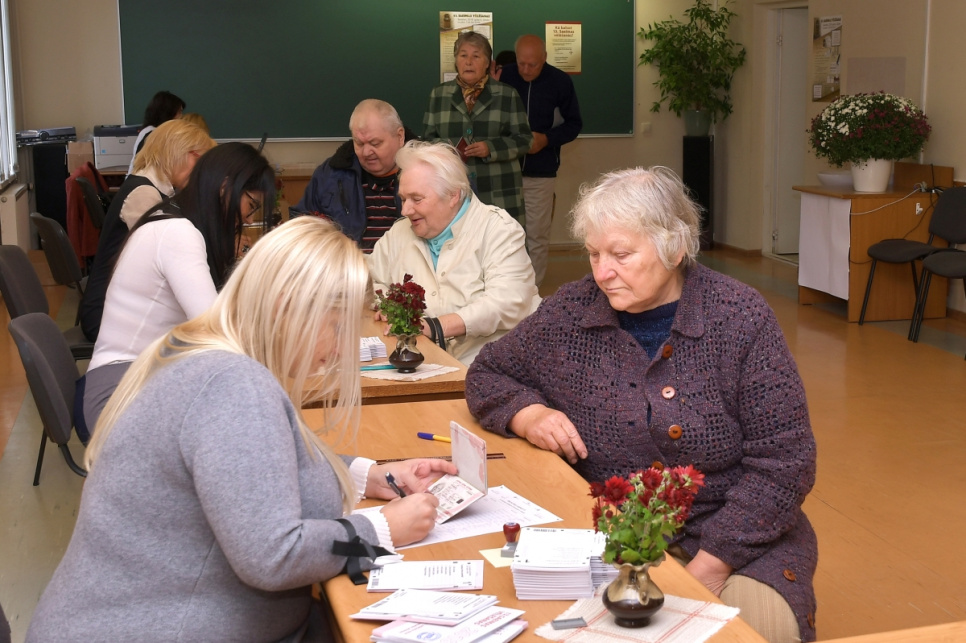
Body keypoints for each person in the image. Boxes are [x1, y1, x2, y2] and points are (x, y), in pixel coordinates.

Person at [26, 218, 455, 642]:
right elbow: (273, 555)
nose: (343, 349)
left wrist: (368, 475)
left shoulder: (203, 350)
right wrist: (381, 529)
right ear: (289, 307)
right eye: (338, 327)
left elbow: (254, 469)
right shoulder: (232, 384)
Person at [465, 167, 818, 643]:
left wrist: (710, 567)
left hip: (738, 537)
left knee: (758, 633)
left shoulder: (739, 317)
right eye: (594, 253)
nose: (602, 272)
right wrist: (529, 414)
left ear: (675, 248)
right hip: (614, 536)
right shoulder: (571, 311)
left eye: (621, 255)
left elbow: (786, 462)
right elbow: (488, 372)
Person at [82, 142, 275, 433]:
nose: (249, 218)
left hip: (147, 376)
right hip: (120, 393)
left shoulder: (174, 219)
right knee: (252, 416)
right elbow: (214, 330)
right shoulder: (177, 233)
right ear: (225, 189)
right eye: (252, 205)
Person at [368, 140, 540, 366]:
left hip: (496, 365)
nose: (405, 210)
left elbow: (508, 301)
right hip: (426, 365)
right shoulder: (398, 233)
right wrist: (386, 305)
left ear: (453, 195)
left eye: (416, 199)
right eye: (403, 199)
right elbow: (373, 281)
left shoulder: (498, 229)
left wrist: (436, 326)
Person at [79, 119, 216, 342]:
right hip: (104, 314)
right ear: (181, 152)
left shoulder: (154, 187)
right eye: (200, 161)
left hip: (121, 306)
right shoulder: (143, 192)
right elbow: (165, 255)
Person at [423, 31, 532, 225]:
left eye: (476, 56)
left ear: (487, 63)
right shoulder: (439, 94)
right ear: (456, 61)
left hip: (498, 189)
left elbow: (525, 140)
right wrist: (447, 149)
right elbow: (427, 141)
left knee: (501, 240)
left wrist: (491, 148)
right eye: (463, 55)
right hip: (454, 189)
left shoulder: (507, 94)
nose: (468, 62)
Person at [500, 34, 583, 287]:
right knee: (503, 234)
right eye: (521, 63)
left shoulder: (560, 81)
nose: (526, 70)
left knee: (536, 235)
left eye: (533, 64)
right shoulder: (503, 77)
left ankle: (531, 292)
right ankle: (505, 289)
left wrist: (546, 139)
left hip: (541, 173)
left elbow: (574, 124)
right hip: (504, 172)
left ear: (544, 58)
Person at [292, 99, 416, 252]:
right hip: (346, 263)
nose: (366, 152)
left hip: (407, 264)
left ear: (400, 136)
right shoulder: (330, 174)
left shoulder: (426, 172)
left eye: (375, 143)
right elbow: (300, 223)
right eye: (359, 144)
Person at [126, 90, 185, 175]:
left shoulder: (155, 132)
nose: (181, 117)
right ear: (168, 113)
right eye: (179, 112)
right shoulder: (152, 134)